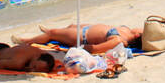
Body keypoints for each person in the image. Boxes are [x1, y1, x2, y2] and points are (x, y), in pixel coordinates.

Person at [13, 23, 143, 56]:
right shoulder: (126, 30)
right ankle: (50, 33)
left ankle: (26, 41)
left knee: (52, 34)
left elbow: (94, 49)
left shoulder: (119, 40)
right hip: (86, 28)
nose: (141, 28)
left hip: (82, 37)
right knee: (71, 25)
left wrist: (72, 49)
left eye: (142, 31)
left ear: (137, 36)